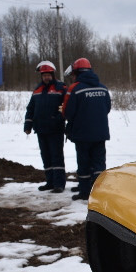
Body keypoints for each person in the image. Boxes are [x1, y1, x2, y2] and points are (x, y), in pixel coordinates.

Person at [62, 57, 111, 201]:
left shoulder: (74, 89)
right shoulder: (102, 87)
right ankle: (99, 192)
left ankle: (84, 191)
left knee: (84, 164)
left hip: (82, 135)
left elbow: (67, 112)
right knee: (99, 164)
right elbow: (107, 108)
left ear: (76, 73)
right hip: (100, 133)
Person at [24, 61, 67, 192]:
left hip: (55, 129)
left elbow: (65, 106)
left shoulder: (61, 88)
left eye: (48, 75)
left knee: (56, 156)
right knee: (46, 156)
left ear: (52, 75)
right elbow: (31, 108)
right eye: (44, 75)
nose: (46, 77)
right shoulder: (37, 89)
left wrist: (58, 119)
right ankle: (50, 182)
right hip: (40, 129)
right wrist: (28, 125)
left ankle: (59, 183)